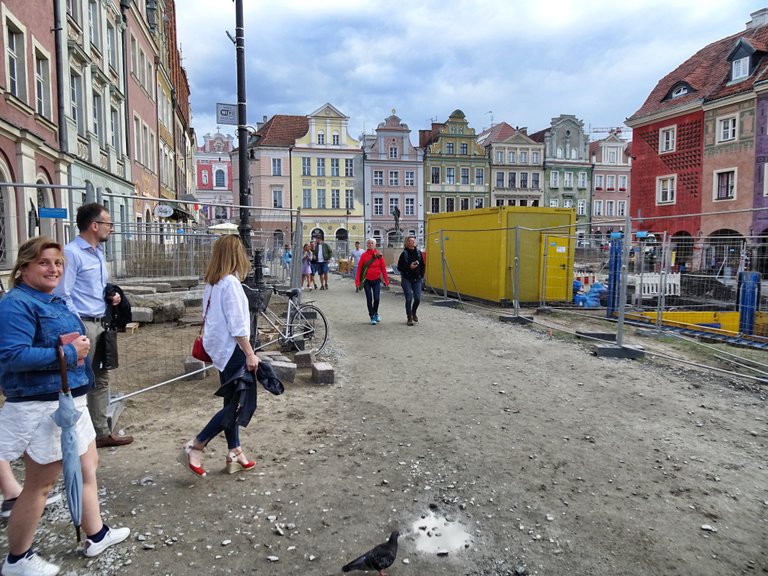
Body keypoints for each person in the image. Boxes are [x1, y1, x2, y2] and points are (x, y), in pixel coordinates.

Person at [0, 237, 130, 576]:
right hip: (42, 406)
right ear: (24, 267)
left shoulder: (53, 300)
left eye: (58, 263)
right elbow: (12, 357)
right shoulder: (17, 304)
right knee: (40, 485)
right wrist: (70, 354)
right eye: (44, 262)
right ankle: (17, 559)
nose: (54, 268)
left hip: (69, 400)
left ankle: (96, 534)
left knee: (88, 466)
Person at [178, 235, 259, 478]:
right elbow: (237, 325)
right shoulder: (231, 284)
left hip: (220, 350)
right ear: (236, 255)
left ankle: (234, 451)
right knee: (237, 405)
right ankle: (196, 444)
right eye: (242, 251)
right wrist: (250, 354)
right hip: (233, 350)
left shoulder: (213, 283)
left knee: (231, 402)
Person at [54, 203, 133, 449]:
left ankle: (100, 433)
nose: (112, 228)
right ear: (94, 225)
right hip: (83, 326)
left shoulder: (98, 253)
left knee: (101, 378)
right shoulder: (72, 253)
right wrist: (78, 326)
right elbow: (63, 295)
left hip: (102, 323)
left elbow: (95, 289)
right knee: (77, 380)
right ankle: (72, 436)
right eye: (108, 223)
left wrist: (112, 297)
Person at [355, 238, 389, 325]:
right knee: (369, 298)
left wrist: (386, 280)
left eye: (372, 243)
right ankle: (372, 316)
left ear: (375, 245)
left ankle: (375, 312)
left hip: (377, 280)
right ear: (367, 245)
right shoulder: (364, 255)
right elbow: (359, 269)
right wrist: (357, 282)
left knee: (377, 298)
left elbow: (383, 269)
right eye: (368, 243)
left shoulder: (379, 255)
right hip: (367, 280)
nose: (370, 245)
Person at [396, 236, 425, 326]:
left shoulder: (418, 253)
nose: (412, 242)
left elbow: (423, 265)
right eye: (411, 241)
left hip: (417, 279)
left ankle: (414, 312)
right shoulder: (404, 254)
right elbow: (399, 268)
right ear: (407, 243)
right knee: (408, 298)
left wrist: (421, 275)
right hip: (407, 279)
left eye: (413, 241)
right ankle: (409, 317)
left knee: (417, 299)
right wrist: (409, 267)